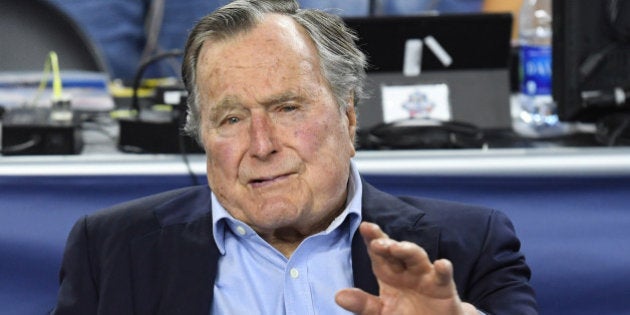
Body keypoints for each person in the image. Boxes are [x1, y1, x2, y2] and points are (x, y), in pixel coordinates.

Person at [52, 0, 537, 314]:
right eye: (231, 119)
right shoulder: (112, 249)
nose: (261, 146)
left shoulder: (465, 247)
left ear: (348, 115)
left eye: (287, 109)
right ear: (201, 134)